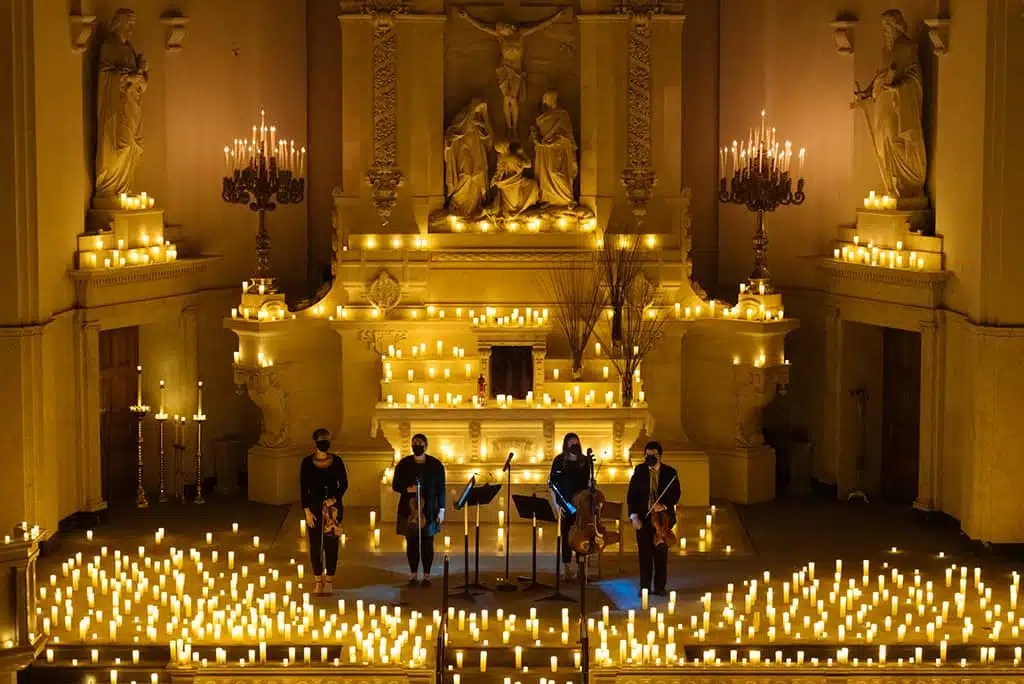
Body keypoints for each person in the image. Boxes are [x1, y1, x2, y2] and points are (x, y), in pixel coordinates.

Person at [95, 8, 148, 200]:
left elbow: (140, 83)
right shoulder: (108, 46)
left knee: (133, 145)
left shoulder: (129, 50)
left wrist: (141, 76)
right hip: (115, 108)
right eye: (128, 25)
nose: (130, 30)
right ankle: (110, 188)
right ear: (118, 24)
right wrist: (127, 77)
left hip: (131, 105)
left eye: (132, 26)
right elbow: (105, 76)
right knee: (121, 145)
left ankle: (124, 190)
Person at [391, 434, 446, 586]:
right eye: (414, 443)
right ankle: (413, 573)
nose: (417, 446)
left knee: (428, 542)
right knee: (411, 542)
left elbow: (441, 488)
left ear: (426, 446)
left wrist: (441, 509)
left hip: (429, 509)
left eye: (420, 443)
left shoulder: (435, 465)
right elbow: (395, 485)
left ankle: (427, 574)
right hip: (409, 509)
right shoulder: (404, 464)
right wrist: (407, 488)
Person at [627, 441, 681, 597]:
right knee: (644, 555)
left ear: (660, 456)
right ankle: (644, 587)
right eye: (648, 455)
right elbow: (632, 495)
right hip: (644, 518)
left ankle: (659, 587)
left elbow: (676, 494)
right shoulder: (639, 471)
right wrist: (633, 515)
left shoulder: (670, 473)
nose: (650, 458)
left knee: (661, 554)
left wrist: (663, 506)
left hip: (663, 519)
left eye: (654, 456)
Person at [300, 428, 349, 595]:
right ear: (316, 442)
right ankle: (317, 580)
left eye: (327, 440)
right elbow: (303, 487)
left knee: (331, 543)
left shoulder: (337, 462)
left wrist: (334, 499)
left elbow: (344, 484)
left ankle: (329, 580)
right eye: (322, 440)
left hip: (333, 509)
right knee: (315, 544)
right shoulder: (307, 463)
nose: (325, 443)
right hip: (314, 507)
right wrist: (306, 511)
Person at [548, 432, 591, 580]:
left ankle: (581, 568)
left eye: (577, 442)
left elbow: (588, 482)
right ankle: (566, 568)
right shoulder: (559, 461)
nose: (575, 445)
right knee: (566, 536)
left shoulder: (585, 461)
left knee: (582, 535)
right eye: (571, 443)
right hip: (565, 504)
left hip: (582, 505)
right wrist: (556, 505)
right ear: (566, 445)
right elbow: (552, 484)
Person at [443, 99, 493, 218]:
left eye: (481, 110)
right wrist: (452, 139)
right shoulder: (462, 116)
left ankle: (476, 204)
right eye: (477, 109)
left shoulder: (480, 119)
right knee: (465, 174)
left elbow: (487, 136)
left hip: (477, 150)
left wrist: (481, 125)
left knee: (477, 175)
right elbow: (452, 131)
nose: (479, 112)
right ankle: (459, 203)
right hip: (463, 148)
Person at [532, 90, 578, 207]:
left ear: (553, 99)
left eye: (547, 98)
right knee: (545, 175)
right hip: (544, 150)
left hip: (558, 148)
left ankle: (567, 198)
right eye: (544, 99)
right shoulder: (541, 117)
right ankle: (548, 199)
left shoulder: (562, 115)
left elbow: (567, 134)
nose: (545, 101)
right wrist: (537, 139)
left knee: (557, 173)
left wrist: (555, 139)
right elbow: (536, 131)